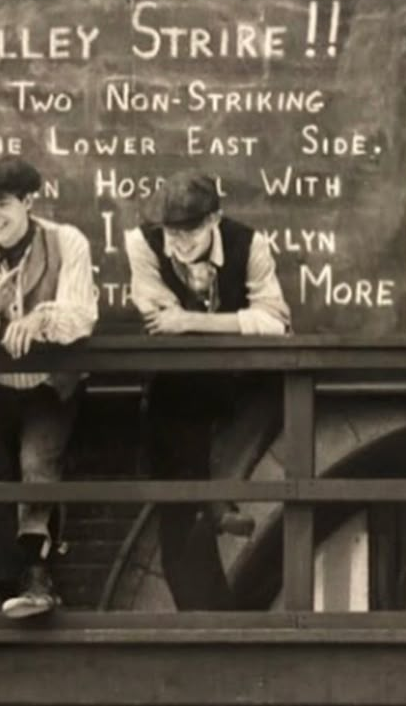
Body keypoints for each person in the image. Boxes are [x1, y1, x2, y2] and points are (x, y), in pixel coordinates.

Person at [124, 170, 290, 609]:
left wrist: (192, 321)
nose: (178, 244)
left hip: (240, 385)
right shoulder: (140, 243)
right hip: (178, 387)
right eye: (170, 232)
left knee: (273, 400)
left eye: (190, 231)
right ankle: (215, 518)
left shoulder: (250, 244)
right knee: (179, 509)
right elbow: (158, 316)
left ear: (215, 217)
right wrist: (225, 324)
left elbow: (275, 322)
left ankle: (220, 497)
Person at [0, 155, 98, 618]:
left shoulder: (66, 240)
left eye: (2, 206)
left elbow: (82, 316)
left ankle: (37, 574)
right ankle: (4, 581)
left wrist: (41, 319)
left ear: (29, 201)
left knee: (39, 461)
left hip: (48, 384)